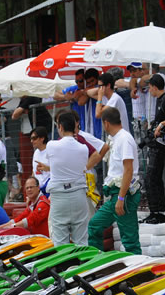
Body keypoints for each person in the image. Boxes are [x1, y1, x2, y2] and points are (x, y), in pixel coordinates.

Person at [88, 107, 141, 254]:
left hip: (124, 194)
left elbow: (128, 170)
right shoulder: (116, 139)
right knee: (94, 225)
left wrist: (121, 197)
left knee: (129, 239)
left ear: (106, 123)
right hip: (115, 194)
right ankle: (96, 261)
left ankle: (139, 272)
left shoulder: (124, 139)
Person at [46, 112, 90, 246]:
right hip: (79, 195)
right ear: (75, 127)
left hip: (59, 196)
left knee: (60, 242)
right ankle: (85, 266)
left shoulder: (51, 145)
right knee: (81, 241)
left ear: (60, 127)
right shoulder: (84, 148)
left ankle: (63, 266)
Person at [143, 74, 165, 224]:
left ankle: (158, 212)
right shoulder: (159, 100)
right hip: (155, 144)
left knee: (153, 178)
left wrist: (162, 124)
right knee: (151, 178)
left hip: (161, 145)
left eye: (150, 87)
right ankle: (154, 211)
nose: (149, 90)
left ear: (155, 87)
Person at [30, 126, 51, 194]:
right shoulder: (36, 152)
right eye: (31, 139)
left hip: (49, 190)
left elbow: (59, 170)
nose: (31, 141)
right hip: (38, 192)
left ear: (42, 138)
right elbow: (34, 172)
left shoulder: (51, 151)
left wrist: (47, 168)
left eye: (34, 138)